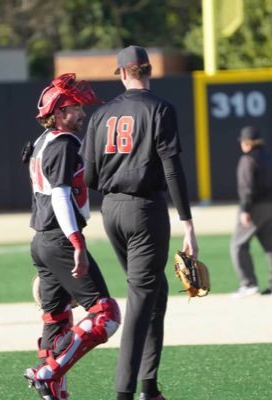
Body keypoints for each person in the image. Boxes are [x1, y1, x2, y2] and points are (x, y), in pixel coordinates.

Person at [82, 45, 198, 400]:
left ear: (120, 73)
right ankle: (124, 393)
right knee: (141, 298)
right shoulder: (161, 108)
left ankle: (149, 385)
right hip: (145, 211)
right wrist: (187, 222)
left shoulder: (101, 115)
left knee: (155, 292)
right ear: (148, 70)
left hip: (112, 212)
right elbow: (171, 168)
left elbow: (87, 175)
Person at [21, 73, 121, 400]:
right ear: (59, 111)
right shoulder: (64, 143)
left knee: (56, 320)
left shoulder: (41, 142)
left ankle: (54, 392)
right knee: (105, 314)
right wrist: (77, 242)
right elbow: (61, 195)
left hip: (42, 240)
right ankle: (49, 374)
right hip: (60, 238)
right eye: (75, 107)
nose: (81, 112)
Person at [230, 126, 272, 298]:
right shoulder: (270, 157)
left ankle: (248, 283)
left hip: (255, 207)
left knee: (238, 245)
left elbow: (246, 187)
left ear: (247, 143)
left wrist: (245, 209)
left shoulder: (248, 160)